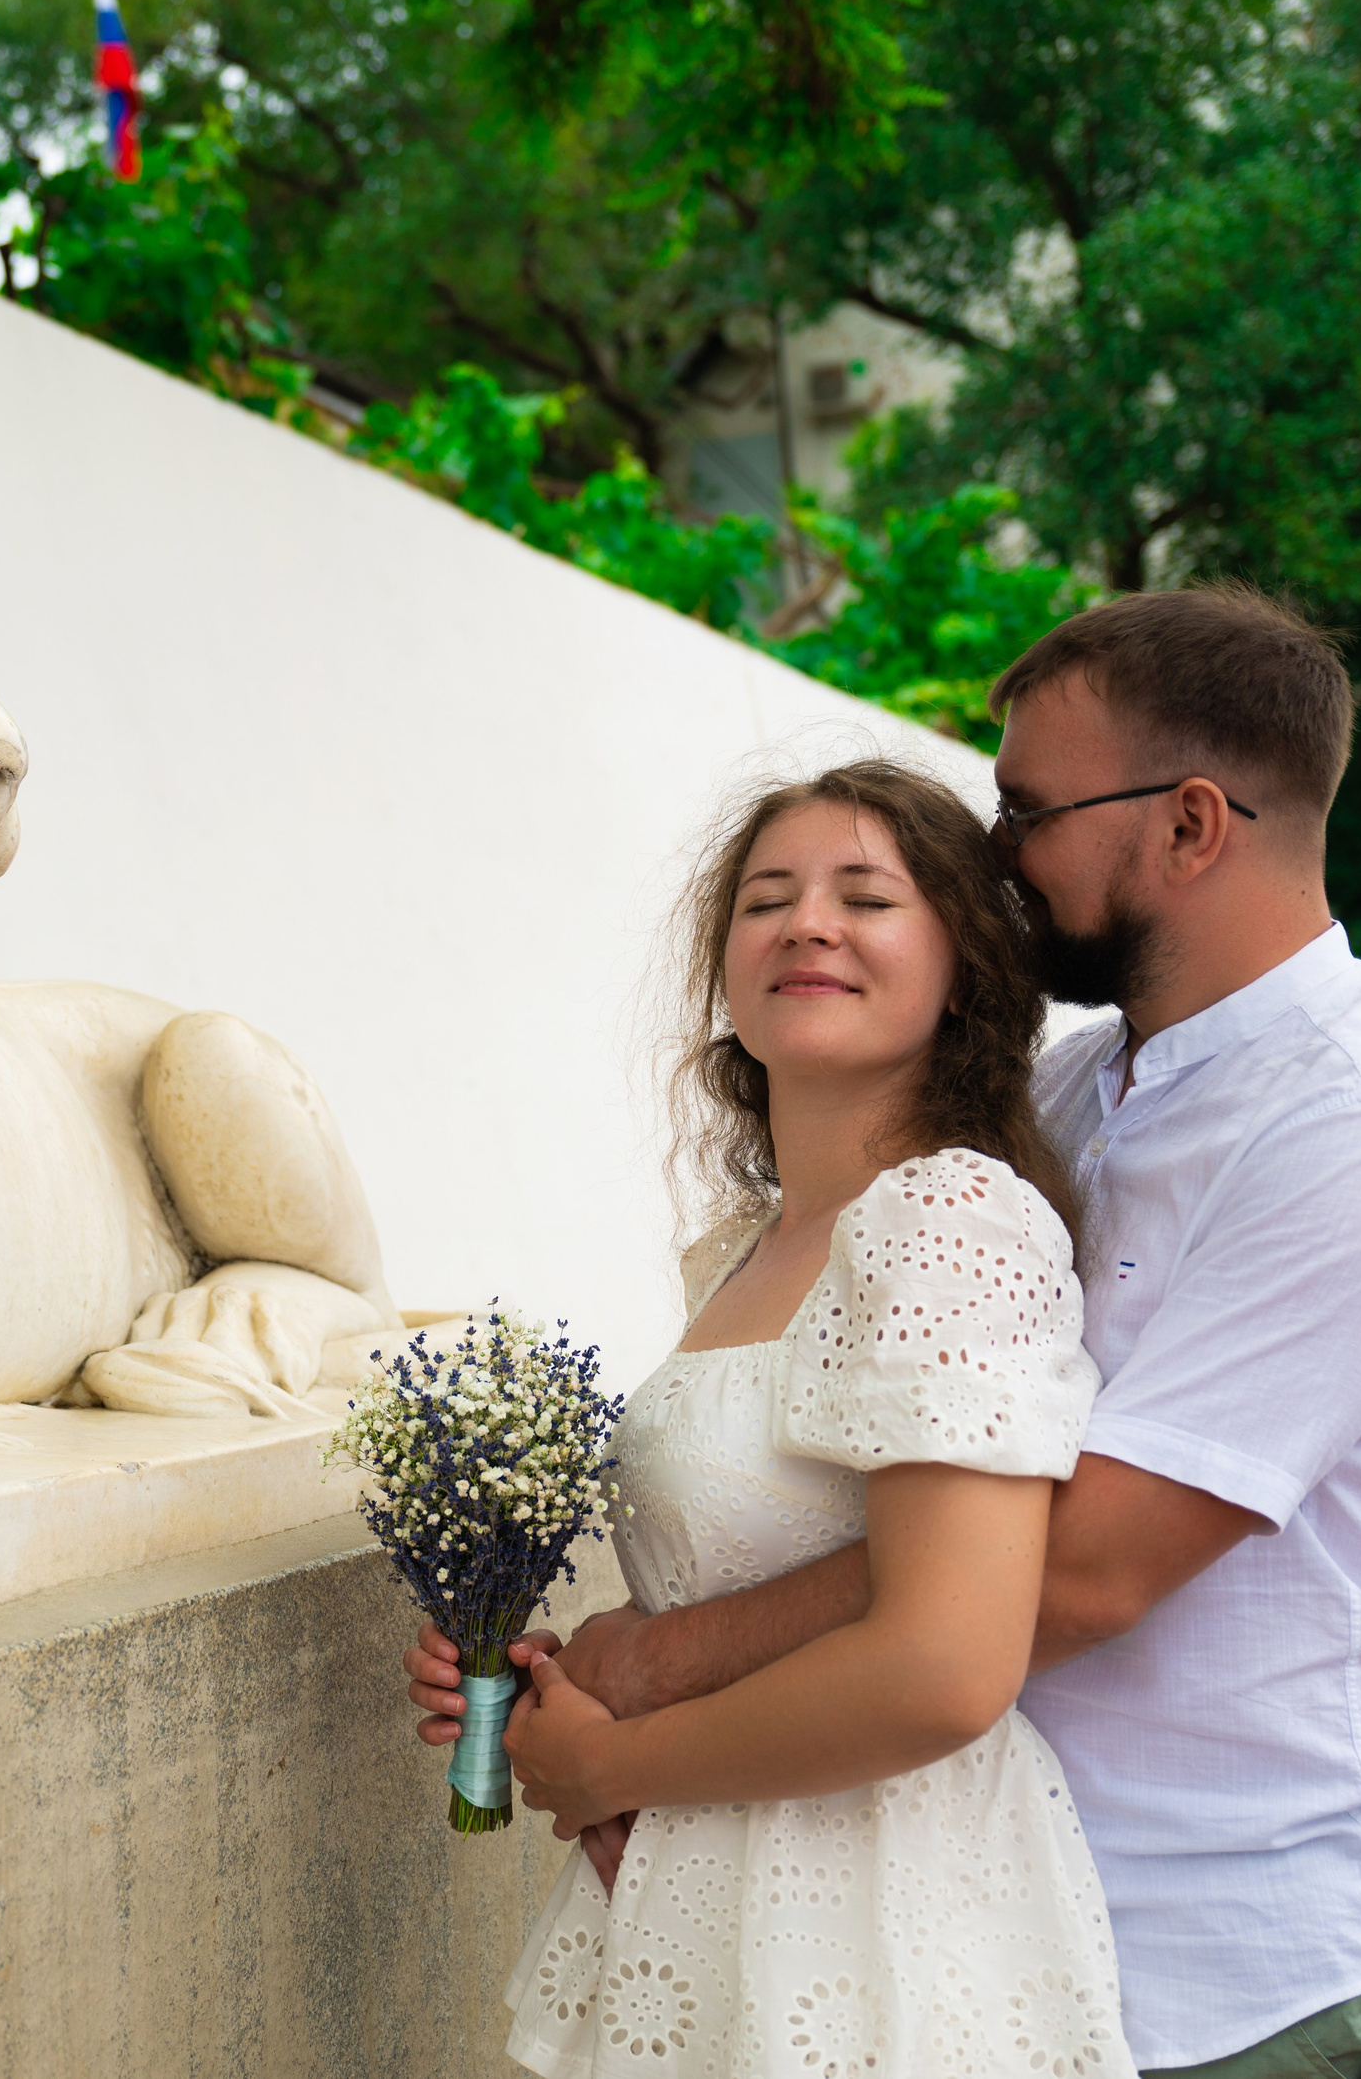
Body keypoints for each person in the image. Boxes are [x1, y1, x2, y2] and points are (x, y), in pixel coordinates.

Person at [413, 587, 1361, 2078]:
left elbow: (1070, 1568)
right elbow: (852, 1495)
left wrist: (644, 1682)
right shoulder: (1071, 1099)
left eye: (1026, 810)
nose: (995, 853)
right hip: (999, 1932)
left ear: (1191, 823)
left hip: (1273, 1969)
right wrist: (602, 1676)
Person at [472, 756, 1138, 2076]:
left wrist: (620, 1764)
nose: (809, 923)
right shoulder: (748, 1246)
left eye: (866, 897)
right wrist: (546, 1679)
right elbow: (751, 1573)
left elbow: (947, 1664)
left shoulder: (948, 1217)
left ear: (965, 966)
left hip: (866, 1916)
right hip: (699, 1897)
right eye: (768, 897)